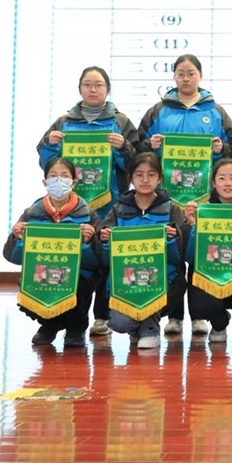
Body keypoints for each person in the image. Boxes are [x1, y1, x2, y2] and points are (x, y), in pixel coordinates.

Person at [136, 53, 232, 336]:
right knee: (171, 256)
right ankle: (174, 316)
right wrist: (150, 145)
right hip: (165, 200)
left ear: (200, 76)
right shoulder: (158, 111)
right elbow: (137, 149)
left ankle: (199, 315)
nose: (185, 78)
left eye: (191, 73)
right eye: (180, 73)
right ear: (174, 76)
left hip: (204, 200)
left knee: (199, 256)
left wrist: (222, 150)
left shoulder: (215, 111)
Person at [37, 65, 138, 338]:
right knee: (73, 261)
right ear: (80, 88)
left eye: (98, 85)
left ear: (107, 89)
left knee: (105, 260)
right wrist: (49, 143)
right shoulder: (63, 122)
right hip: (71, 206)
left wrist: (123, 148)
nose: (93, 89)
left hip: (110, 203)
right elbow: (47, 165)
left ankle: (102, 317)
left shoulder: (121, 122)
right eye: (88, 84)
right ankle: (64, 318)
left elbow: (136, 165)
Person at [3, 157, 102, 347]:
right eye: (53, 176)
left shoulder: (88, 214)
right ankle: (49, 324)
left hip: (78, 274)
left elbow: (99, 259)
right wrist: (17, 238)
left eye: (64, 176)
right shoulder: (32, 213)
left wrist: (89, 242)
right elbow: (12, 257)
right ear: (45, 182)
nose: (58, 181)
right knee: (32, 284)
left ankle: (76, 328)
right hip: (42, 271)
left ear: (73, 182)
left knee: (81, 284)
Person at [98, 153, 188, 350]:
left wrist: (174, 239)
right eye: (139, 175)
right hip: (125, 281)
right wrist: (104, 241)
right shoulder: (118, 210)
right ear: (131, 178)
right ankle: (136, 329)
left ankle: (150, 329)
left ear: (160, 178)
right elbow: (104, 259)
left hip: (162, 279)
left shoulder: (172, 210)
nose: (145, 180)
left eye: (151, 174)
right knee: (119, 323)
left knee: (152, 285)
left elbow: (180, 256)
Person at [183, 158, 232, 348]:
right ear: (213, 182)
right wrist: (194, 225)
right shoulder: (202, 211)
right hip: (210, 274)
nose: (227, 183)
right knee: (198, 287)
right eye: (221, 178)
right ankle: (219, 324)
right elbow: (190, 257)